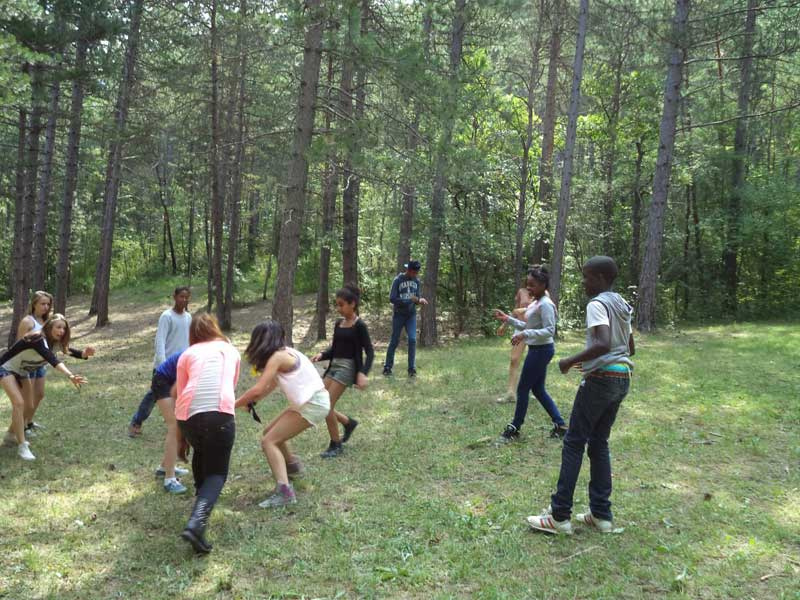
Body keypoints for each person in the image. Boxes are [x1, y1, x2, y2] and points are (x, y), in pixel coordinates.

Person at [527, 256, 635, 535]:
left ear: (600, 278)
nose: (584, 282)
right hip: (622, 377)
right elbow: (628, 346)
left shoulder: (597, 304)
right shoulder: (621, 303)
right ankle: (602, 515)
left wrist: (568, 361)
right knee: (599, 443)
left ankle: (559, 516)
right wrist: (591, 359)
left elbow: (602, 343)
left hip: (601, 379)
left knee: (574, 442)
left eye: (587, 277)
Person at [235, 320, 330, 509]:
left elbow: (258, 388)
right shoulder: (285, 353)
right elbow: (270, 385)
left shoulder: (278, 357)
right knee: (270, 433)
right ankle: (293, 467)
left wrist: (232, 405)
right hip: (311, 401)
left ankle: (285, 493)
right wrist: (252, 402)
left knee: (268, 441)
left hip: (312, 404)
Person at [175, 313, 240, 554]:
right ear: (215, 328)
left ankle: (199, 507)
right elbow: (230, 384)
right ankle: (197, 522)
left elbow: (181, 393)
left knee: (201, 452)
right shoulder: (229, 349)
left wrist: (182, 436)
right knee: (217, 473)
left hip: (188, 415)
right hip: (219, 411)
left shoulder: (187, 354)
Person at [1, 314, 88, 461]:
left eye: (64, 328)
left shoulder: (54, 342)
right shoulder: (37, 339)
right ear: (49, 327)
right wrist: (70, 375)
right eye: (58, 327)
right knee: (19, 403)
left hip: (22, 372)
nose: (61, 331)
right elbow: (52, 359)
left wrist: (84, 354)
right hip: (5, 368)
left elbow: (69, 350)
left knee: (29, 406)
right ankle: (22, 446)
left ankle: (10, 435)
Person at [494, 266, 565, 442]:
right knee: (538, 389)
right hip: (537, 349)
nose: (529, 288)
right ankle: (560, 424)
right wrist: (508, 319)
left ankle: (515, 427)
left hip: (542, 350)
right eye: (528, 285)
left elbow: (549, 330)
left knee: (523, 388)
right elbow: (528, 327)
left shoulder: (546, 304)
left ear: (543, 284)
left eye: (532, 285)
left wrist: (525, 335)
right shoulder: (535, 303)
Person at [16, 291, 95, 434]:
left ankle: (28, 423)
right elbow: (19, 345)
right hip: (26, 366)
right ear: (34, 304)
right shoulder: (28, 321)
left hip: (40, 365)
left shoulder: (48, 322)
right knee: (27, 401)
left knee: (39, 395)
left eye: (48, 304)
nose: (46, 307)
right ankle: (18, 430)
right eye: (42, 303)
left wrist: (84, 354)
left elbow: (63, 348)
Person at [312, 284, 374, 458]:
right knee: (319, 401)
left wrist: (363, 372)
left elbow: (369, 351)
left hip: (347, 368)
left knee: (326, 405)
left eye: (341, 304)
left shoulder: (359, 325)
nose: (338, 308)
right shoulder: (339, 324)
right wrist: (322, 354)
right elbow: (335, 348)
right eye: (337, 304)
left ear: (352, 304)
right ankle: (348, 423)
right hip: (334, 366)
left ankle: (336, 444)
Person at [129, 286, 192, 437]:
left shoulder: (188, 317)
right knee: (154, 396)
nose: (183, 300)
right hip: (164, 368)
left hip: (181, 366)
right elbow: (160, 341)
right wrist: (162, 364)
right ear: (174, 297)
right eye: (181, 296)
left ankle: (180, 426)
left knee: (181, 396)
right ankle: (136, 422)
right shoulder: (167, 316)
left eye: (186, 297)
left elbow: (188, 341)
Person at [150, 351, 189, 494]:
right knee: (175, 426)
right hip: (162, 381)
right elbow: (177, 389)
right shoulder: (200, 356)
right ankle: (169, 479)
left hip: (172, 381)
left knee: (179, 427)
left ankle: (164, 467)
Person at [382, 260, 427, 377]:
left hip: (411, 315)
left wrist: (419, 300)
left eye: (417, 273)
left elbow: (416, 298)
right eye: (414, 272)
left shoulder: (416, 281)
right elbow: (392, 298)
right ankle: (387, 367)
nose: (415, 275)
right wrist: (408, 301)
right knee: (394, 340)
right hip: (399, 315)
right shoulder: (398, 280)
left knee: (412, 340)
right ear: (408, 270)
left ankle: (411, 369)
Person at [495, 282, 533, 403]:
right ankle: (511, 393)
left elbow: (544, 309)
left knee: (533, 362)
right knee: (514, 359)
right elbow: (515, 311)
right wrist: (504, 325)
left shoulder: (544, 294)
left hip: (534, 329)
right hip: (520, 328)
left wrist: (526, 308)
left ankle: (533, 390)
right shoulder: (521, 291)